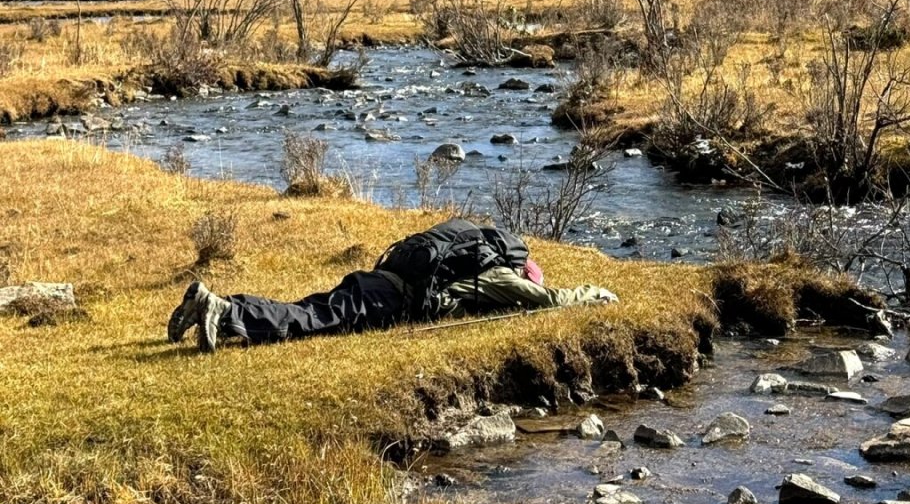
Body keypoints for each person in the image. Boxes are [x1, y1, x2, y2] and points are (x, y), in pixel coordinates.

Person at [167, 219, 618, 353]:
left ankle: (221, 310)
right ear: (522, 273)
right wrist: (595, 293)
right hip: (387, 299)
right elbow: (551, 302)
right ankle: (223, 312)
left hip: (375, 279)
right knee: (313, 319)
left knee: (309, 307)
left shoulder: (467, 243)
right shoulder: (502, 275)